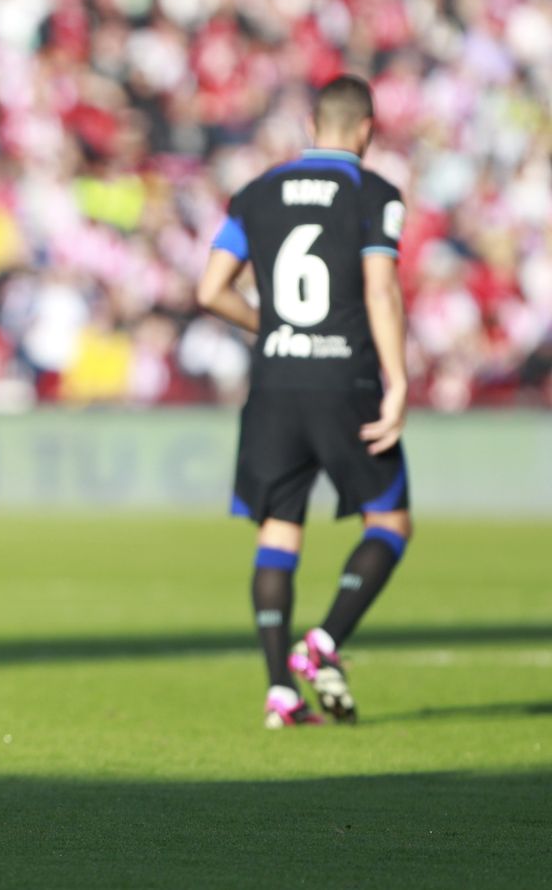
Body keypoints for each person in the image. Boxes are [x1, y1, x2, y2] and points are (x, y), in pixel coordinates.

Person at [196, 75, 412, 729]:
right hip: (344, 382)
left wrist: (275, 329)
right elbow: (379, 291)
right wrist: (399, 380)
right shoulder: (374, 193)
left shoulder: (256, 193)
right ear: (367, 129)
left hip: (274, 386)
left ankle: (278, 695)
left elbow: (210, 290)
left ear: (313, 127)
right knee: (389, 523)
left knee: (279, 529)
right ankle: (322, 644)